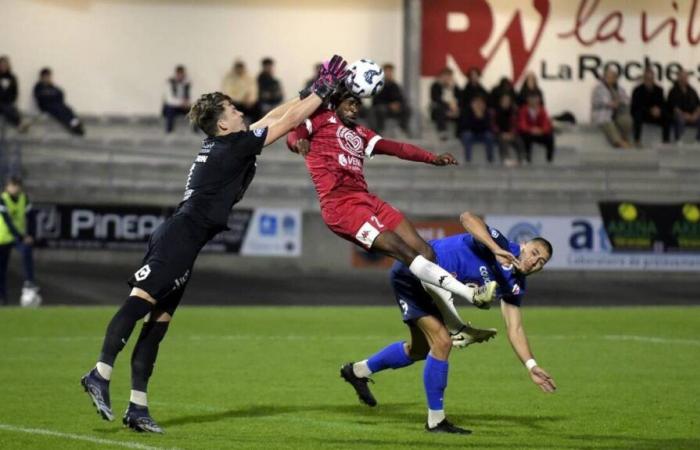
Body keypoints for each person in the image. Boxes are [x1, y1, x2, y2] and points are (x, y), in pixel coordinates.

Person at [80, 55, 350, 433]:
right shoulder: (233, 146)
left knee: (158, 324)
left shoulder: (229, 142)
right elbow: (286, 122)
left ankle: (137, 409)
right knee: (139, 303)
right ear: (223, 122)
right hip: (180, 236)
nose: (241, 112)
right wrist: (321, 92)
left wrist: (308, 93)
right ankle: (99, 373)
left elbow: (274, 116)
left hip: (186, 239)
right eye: (234, 109)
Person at [287, 88, 503, 318]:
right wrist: (297, 140)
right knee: (406, 252)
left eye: (357, 105)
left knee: (425, 252)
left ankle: (453, 324)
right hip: (341, 206)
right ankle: (470, 295)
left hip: (366, 199)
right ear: (336, 103)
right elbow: (294, 131)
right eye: (349, 103)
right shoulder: (321, 119)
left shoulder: (361, 133)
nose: (354, 109)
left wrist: (432, 158)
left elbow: (398, 148)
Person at [340, 211, 556, 433]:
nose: (534, 261)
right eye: (534, 252)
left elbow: (515, 328)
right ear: (523, 244)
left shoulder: (515, 286)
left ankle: (357, 371)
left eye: (541, 262)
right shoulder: (500, 244)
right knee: (442, 343)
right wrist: (494, 248)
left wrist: (531, 366)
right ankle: (436, 421)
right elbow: (467, 217)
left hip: (432, 289)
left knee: (420, 349)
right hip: (414, 271)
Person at [0, 176, 39, 306]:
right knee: (2, 270)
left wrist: (31, 235)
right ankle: (3, 299)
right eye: (13, 185)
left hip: (18, 237)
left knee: (26, 251)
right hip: (3, 238)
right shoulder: (2, 200)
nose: (16, 188)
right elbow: (7, 221)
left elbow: (32, 217)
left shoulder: (24, 198)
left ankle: (29, 281)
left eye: (17, 185)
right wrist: (22, 237)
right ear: (7, 186)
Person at [33, 67, 84, 136]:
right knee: (60, 112)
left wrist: (51, 93)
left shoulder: (52, 87)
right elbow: (41, 98)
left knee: (68, 109)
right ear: (42, 77)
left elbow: (61, 95)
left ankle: (76, 124)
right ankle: (72, 126)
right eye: (46, 76)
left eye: (49, 76)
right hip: (46, 107)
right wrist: (51, 96)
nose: (48, 78)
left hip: (57, 104)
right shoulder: (38, 87)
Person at [591, 67, 633, 148]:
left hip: (616, 114)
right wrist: (614, 102)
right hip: (602, 114)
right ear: (605, 77)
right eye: (609, 77)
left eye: (613, 77)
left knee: (626, 120)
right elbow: (606, 102)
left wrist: (619, 101)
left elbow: (627, 100)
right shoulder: (599, 88)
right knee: (607, 123)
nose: (611, 79)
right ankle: (619, 142)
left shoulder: (619, 88)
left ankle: (624, 138)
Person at [630, 68, 670, 146]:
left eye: (651, 79)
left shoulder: (659, 90)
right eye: (647, 79)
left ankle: (666, 141)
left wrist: (659, 110)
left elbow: (663, 104)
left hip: (656, 114)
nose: (649, 81)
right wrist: (650, 110)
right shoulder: (637, 90)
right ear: (644, 79)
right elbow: (636, 105)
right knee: (638, 115)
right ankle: (637, 140)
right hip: (644, 113)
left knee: (666, 116)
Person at [369, 63, 410, 134]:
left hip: (394, 108)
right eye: (387, 72)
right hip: (383, 107)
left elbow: (401, 98)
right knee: (380, 110)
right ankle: (379, 130)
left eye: (390, 72)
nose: (389, 74)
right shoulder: (378, 85)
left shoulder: (395, 85)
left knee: (407, 109)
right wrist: (389, 105)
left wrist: (398, 104)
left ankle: (403, 127)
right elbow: (375, 101)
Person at [458, 95, 495, 163]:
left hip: (482, 134)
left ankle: (490, 159)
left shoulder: (486, 113)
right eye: (477, 103)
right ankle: (468, 160)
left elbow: (488, 127)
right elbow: (465, 126)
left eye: (480, 103)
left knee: (489, 136)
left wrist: (481, 118)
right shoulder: (467, 112)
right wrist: (476, 117)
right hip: (471, 134)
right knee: (467, 135)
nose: (479, 105)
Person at [667, 69, 700, 142]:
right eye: (681, 77)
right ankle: (678, 140)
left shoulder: (692, 90)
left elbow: (698, 105)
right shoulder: (673, 91)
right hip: (678, 115)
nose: (683, 79)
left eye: (685, 77)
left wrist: (695, 115)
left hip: (692, 115)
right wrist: (685, 115)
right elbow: (674, 108)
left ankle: (698, 140)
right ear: (678, 78)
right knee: (679, 118)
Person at [492, 93, 524, 167]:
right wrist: (501, 133)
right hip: (499, 134)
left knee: (519, 140)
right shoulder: (496, 111)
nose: (506, 103)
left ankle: (521, 158)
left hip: (511, 134)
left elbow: (516, 124)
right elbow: (493, 125)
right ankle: (505, 158)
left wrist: (511, 133)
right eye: (504, 101)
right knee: (502, 140)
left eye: (507, 101)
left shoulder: (513, 112)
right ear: (501, 101)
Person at [0, 56, 30, 133]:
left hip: (8, 103)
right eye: (1, 64)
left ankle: (19, 123)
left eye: (5, 64)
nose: (3, 66)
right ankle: (19, 123)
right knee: (5, 106)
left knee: (9, 108)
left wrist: (11, 100)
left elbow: (15, 92)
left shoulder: (13, 78)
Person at [430, 68, 460, 140]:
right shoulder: (436, 86)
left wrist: (451, 87)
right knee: (440, 109)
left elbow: (460, 98)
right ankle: (442, 131)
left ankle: (460, 132)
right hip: (440, 109)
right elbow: (436, 99)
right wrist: (449, 106)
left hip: (453, 109)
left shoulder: (454, 87)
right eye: (445, 76)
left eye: (449, 76)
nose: (447, 78)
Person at [162, 65, 191, 134]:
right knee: (170, 109)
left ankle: (195, 130)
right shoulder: (169, 83)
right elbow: (169, 100)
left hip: (182, 107)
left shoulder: (186, 84)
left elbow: (190, 98)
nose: (180, 76)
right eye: (179, 74)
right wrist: (181, 103)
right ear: (176, 74)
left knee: (195, 110)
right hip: (171, 108)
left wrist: (187, 103)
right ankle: (169, 131)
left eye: (182, 74)